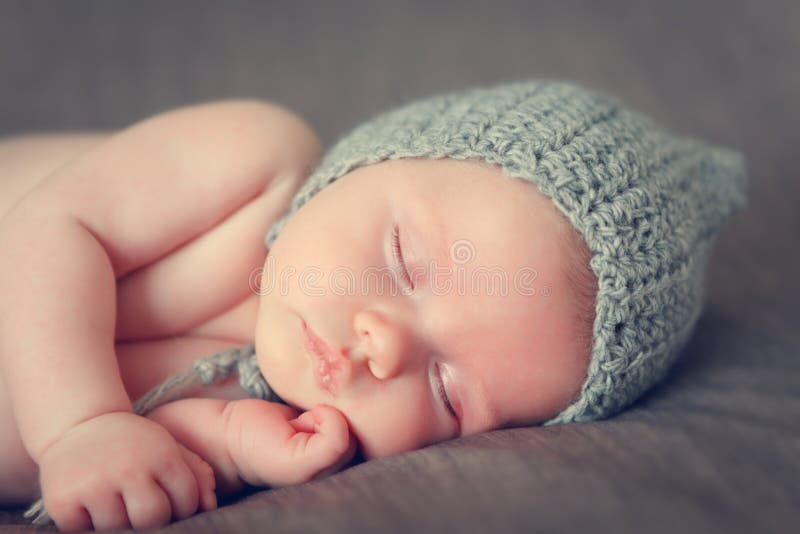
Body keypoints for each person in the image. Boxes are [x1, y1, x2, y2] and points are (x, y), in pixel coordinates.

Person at [0, 80, 748, 531]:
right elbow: (48, 229)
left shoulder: (289, 420)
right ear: (375, 157)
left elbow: (126, 463)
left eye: (448, 392)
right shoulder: (254, 162)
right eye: (405, 261)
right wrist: (83, 425)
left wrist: (224, 449)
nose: (384, 349)